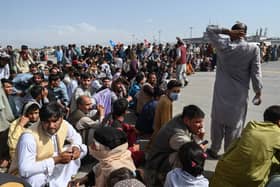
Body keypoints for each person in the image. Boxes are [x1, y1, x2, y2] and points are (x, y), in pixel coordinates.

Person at [206, 22, 263, 158]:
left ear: (233, 32)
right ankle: (229, 153)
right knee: (235, 125)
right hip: (239, 94)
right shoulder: (253, 48)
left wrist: (227, 32)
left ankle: (214, 150)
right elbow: (256, 72)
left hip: (221, 92)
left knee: (217, 123)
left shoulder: (223, 46)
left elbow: (209, 30)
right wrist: (258, 91)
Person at [9, 102, 87, 187]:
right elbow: (24, 170)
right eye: (46, 122)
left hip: (51, 165)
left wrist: (76, 147)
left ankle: (63, 183)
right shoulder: (29, 137)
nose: (51, 126)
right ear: (41, 120)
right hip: (27, 175)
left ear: (61, 118)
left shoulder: (64, 124)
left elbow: (76, 137)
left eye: (54, 121)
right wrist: (56, 160)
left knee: (81, 148)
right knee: (36, 179)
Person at [210, 105, 280, 187]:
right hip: (248, 181)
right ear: (279, 122)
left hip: (222, 173)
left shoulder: (252, 126)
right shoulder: (277, 133)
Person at [145, 105, 206, 186]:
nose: (201, 126)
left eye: (201, 122)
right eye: (197, 122)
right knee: (187, 156)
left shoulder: (181, 118)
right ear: (187, 120)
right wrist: (199, 140)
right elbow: (194, 153)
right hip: (157, 163)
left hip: (159, 155)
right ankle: (171, 179)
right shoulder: (178, 136)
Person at [69, 127, 136, 187]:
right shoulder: (110, 158)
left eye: (94, 145)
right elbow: (97, 170)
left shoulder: (120, 175)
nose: (91, 146)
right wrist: (82, 180)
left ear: (108, 150)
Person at [148, 80, 182, 146]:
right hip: (160, 139)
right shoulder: (167, 103)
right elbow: (165, 125)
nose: (177, 94)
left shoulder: (163, 97)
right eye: (174, 91)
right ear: (168, 90)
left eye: (178, 91)